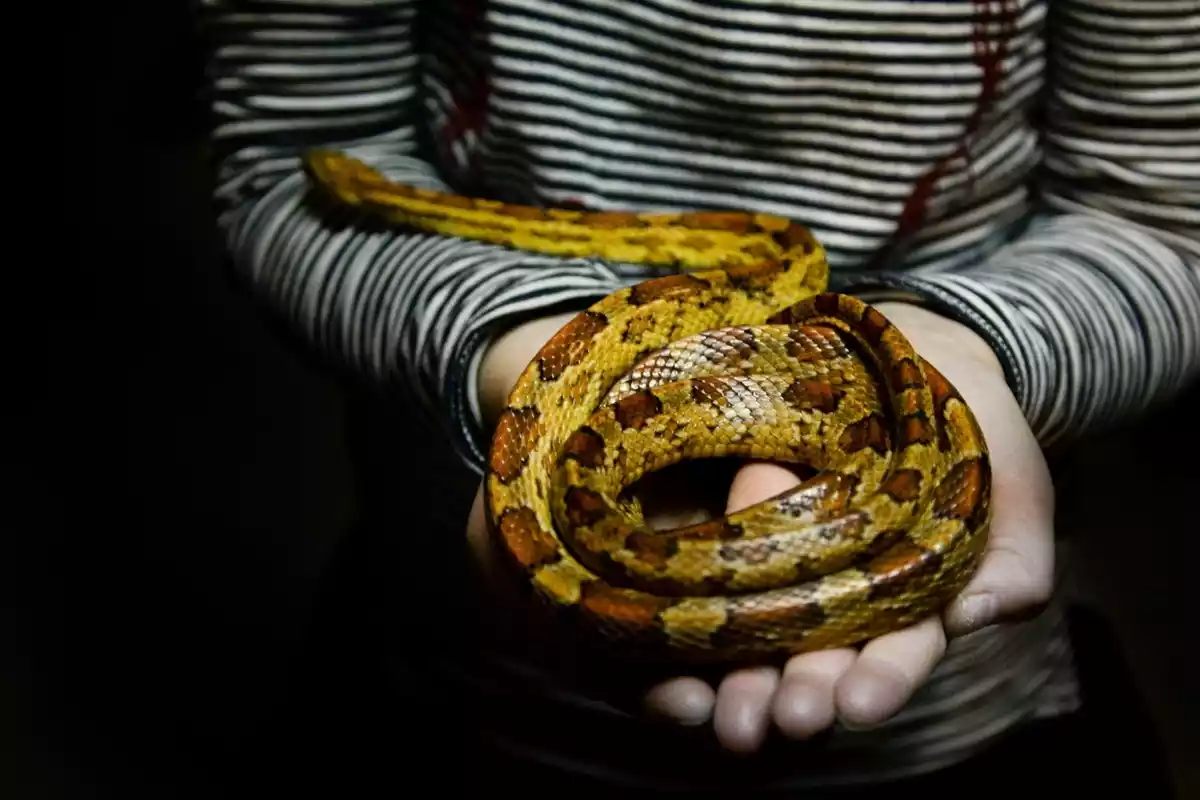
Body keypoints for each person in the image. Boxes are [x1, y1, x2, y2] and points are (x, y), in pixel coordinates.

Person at [202, 0, 1198, 793]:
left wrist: (977, 346)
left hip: (974, 724)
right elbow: (289, 160)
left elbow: (1164, 221)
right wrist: (513, 336)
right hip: (445, 672)